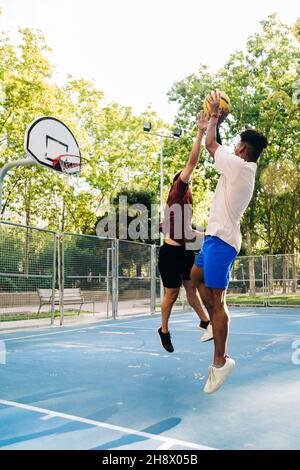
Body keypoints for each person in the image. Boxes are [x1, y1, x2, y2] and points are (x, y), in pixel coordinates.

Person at [191, 91, 268, 393]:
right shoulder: (240, 166)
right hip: (214, 239)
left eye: (236, 146)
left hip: (222, 242)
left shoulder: (239, 167)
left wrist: (212, 116)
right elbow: (218, 144)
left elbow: (211, 145)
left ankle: (221, 362)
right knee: (195, 278)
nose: (233, 149)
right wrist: (217, 122)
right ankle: (213, 322)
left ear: (243, 150)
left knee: (217, 301)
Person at [158, 111, 224, 353]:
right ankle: (164, 330)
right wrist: (200, 130)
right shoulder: (177, 190)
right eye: (186, 177)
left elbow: (186, 230)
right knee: (172, 294)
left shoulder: (186, 201)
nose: (189, 178)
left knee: (192, 286)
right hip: (169, 252)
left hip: (184, 251)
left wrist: (206, 235)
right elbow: (192, 162)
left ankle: (205, 321)